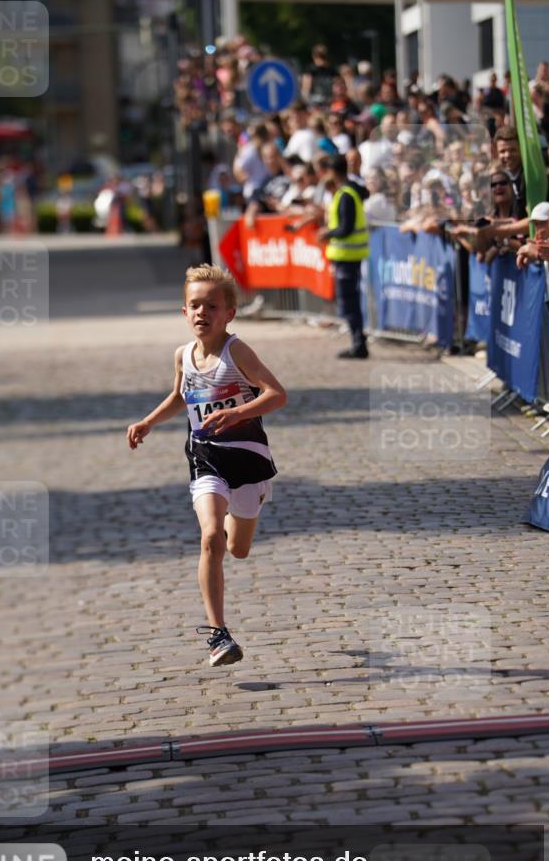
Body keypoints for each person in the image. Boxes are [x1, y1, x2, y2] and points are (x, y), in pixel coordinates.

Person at [126, 264, 287, 668]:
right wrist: (148, 420)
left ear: (229, 313)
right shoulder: (184, 355)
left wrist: (238, 413)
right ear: (184, 312)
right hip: (205, 457)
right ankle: (219, 635)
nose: (202, 313)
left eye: (211, 306)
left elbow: (277, 394)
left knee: (238, 548)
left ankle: (246, 508)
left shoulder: (238, 352)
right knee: (212, 537)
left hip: (247, 458)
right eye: (194, 306)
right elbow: (182, 396)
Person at [318, 155, 370, 359]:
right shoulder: (349, 191)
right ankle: (358, 342)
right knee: (351, 301)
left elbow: (345, 228)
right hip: (349, 255)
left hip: (348, 255)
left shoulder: (346, 194)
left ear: (332, 172)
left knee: (349, 302)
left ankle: (358, 344)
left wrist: (327, 233)